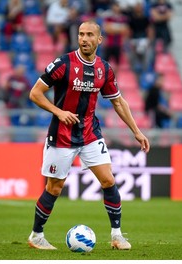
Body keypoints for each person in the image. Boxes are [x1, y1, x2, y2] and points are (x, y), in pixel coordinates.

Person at [27, 21, 150, 250]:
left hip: (90, 132)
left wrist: (136, 131)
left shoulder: (104, 68)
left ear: (99, 40)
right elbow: (35, 93)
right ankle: (36, 235)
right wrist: (59, 112)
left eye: (89, 35)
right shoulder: (63, 64)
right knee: (54, 187)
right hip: (62, 134)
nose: (84, 38)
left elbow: (118, 102)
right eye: (81, 34)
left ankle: (117, 236)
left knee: (108, 180)